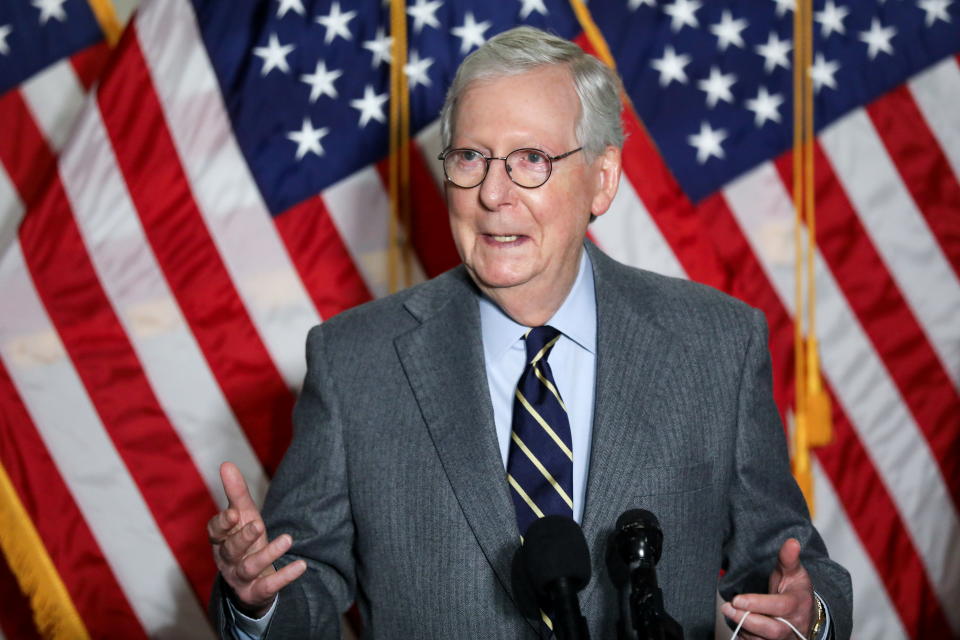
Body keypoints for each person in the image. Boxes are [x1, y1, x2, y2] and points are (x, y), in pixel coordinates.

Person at [207, 26, 852, 639]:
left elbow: (788, 568)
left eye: (531, 160)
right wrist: (254, 600)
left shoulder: (716, 346)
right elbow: (299, 590)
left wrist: (807, 615)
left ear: (602, 179)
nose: (492, 193)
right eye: (470, 157)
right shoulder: (354, 361)